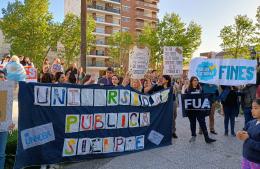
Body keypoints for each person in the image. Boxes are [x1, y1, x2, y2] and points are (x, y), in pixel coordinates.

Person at [185, 76, 216, 143]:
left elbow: (204, 98)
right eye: (194, 80)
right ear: (191, 82)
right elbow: (185, 99)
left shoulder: (201, 89)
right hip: (191, 110)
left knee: (202, 123)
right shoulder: (187, 90)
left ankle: (207, 138)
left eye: (197, 80)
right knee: (192, 123)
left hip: (199, 110)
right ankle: (193, 136)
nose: (196, 81)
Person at [237, 99, 260, 169]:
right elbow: (244, 130)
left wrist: (247, 139)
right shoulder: (251, 122)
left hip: (257, 161)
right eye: (252, 108)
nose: (252, 110)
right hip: (246, 157)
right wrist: (240, 133)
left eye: (255, 108)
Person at [0, 70, 15, 169]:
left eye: (3, 77)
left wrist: (10, 122)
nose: (2, 79)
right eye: (0, 77)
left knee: (1, 154)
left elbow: (8, 109)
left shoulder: (7, 91)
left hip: (3, 128)